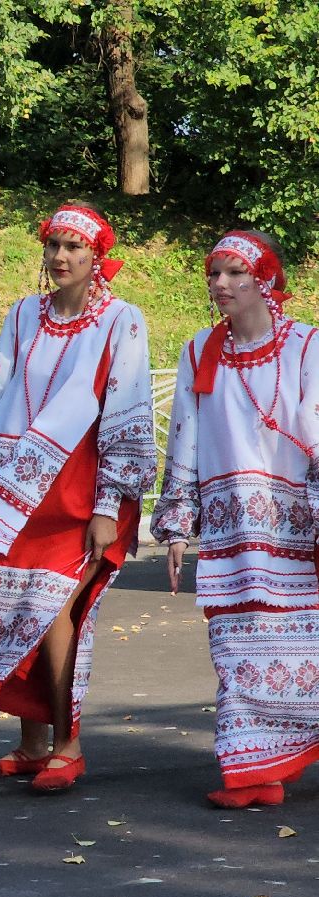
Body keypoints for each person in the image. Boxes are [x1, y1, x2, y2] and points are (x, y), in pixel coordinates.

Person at [0, 204, 157, 793]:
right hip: (20, 495)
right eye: (54, 246)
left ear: (98, 258)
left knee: (58, 616)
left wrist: (108, 506)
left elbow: (127, 411)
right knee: (20, 613)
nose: (61, 257)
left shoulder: (121, 321)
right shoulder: (24, 315)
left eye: (74, 248)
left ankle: (69, 744)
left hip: (79, 493)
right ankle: (31, 745)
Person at [153, 230, 319, 808]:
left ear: (266, 280)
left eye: (234, 274)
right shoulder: (200, 349)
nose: (220, 284)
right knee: (236, 645)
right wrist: (178, 521)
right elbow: (185, 437)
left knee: (306, 646)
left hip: (295, 524)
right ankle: (255, 773)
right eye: (214, 273)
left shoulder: (306, 346)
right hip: (231, 530)